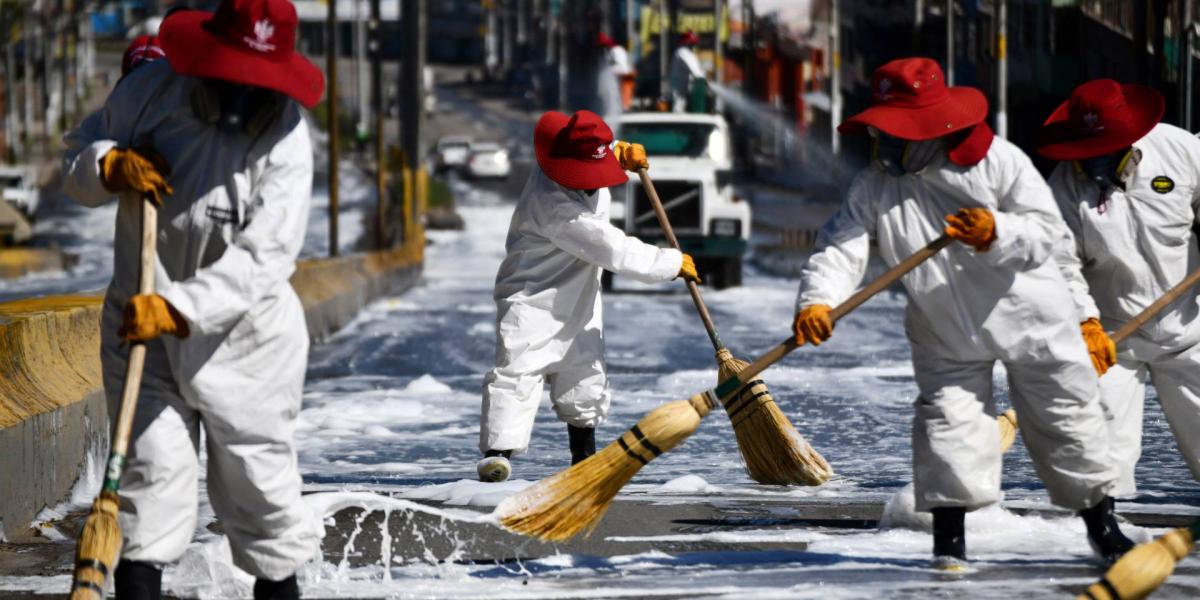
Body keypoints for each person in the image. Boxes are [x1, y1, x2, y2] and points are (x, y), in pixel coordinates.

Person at [792, 58, 1132, 568]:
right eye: (880, 133)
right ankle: (949, 546)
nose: (882, 145)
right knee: (948, 430)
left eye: (893, 133)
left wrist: (997, 232)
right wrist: (818, 300)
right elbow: (842, 245)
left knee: (1067, 421)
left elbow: (1047, 234)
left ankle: (1103, 530)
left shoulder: (997, 162)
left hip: (1032, 317)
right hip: (943, 323)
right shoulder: (875, 184)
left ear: (929, 128)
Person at [62, 1, 325, 598]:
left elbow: (266, 256)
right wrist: (109, 166)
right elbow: (76, 154)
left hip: (247, 344)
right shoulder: (152, 93)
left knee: (263, 505)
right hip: (143, 336)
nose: (236, 99)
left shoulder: (286, 138)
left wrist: (180, 308)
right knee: (149, 496)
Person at [478, 110, 700, 482]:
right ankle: (496, 455)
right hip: (532, 296)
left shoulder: (585, 160)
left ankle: (583, 455)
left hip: (580, 289)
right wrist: (670, 262)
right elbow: (613, 249)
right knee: (518, 371)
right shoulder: (553, 204)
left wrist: (618, 151)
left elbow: (594, 150)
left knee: (584, 369)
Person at [1037, 79, 1200, 499]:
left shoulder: (1181, 151)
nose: (1093, 165)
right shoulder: (1064, 187)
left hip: (1191, 332)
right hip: (1113, 341)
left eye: (1104, 151)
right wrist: (1084, 321)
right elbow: (1061, 263)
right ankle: (1108, 544)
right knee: (1101, 469)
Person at [668, 31, 704, 113]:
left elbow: (697, 69)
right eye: (692, 43)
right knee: (678, 106)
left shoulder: (689, 53)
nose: (693, 45)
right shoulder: (682, 52)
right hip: (679, 87)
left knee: (682, 104)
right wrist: (701, 78)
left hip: (686, 86)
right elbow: (694, 70)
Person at [597, 32, 635, 111]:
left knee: (620, 92)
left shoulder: (616, 50)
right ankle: (623, 107)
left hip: (622, 74)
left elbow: (621, 67)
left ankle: (623, 107)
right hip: (624, 74)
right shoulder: (617, 50)